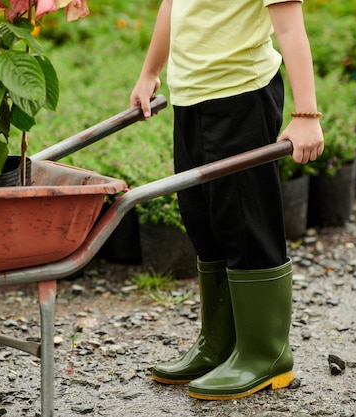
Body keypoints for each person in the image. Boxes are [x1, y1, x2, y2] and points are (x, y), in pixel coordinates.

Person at [130, 0, 324, 400]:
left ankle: (264, 353)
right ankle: (220, 343)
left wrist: (307, 113)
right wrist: (151, 71)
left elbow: (289, 28)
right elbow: (172, 5)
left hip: (241, 96)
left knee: (245, 223)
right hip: (191, 99)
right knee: (203, 219)